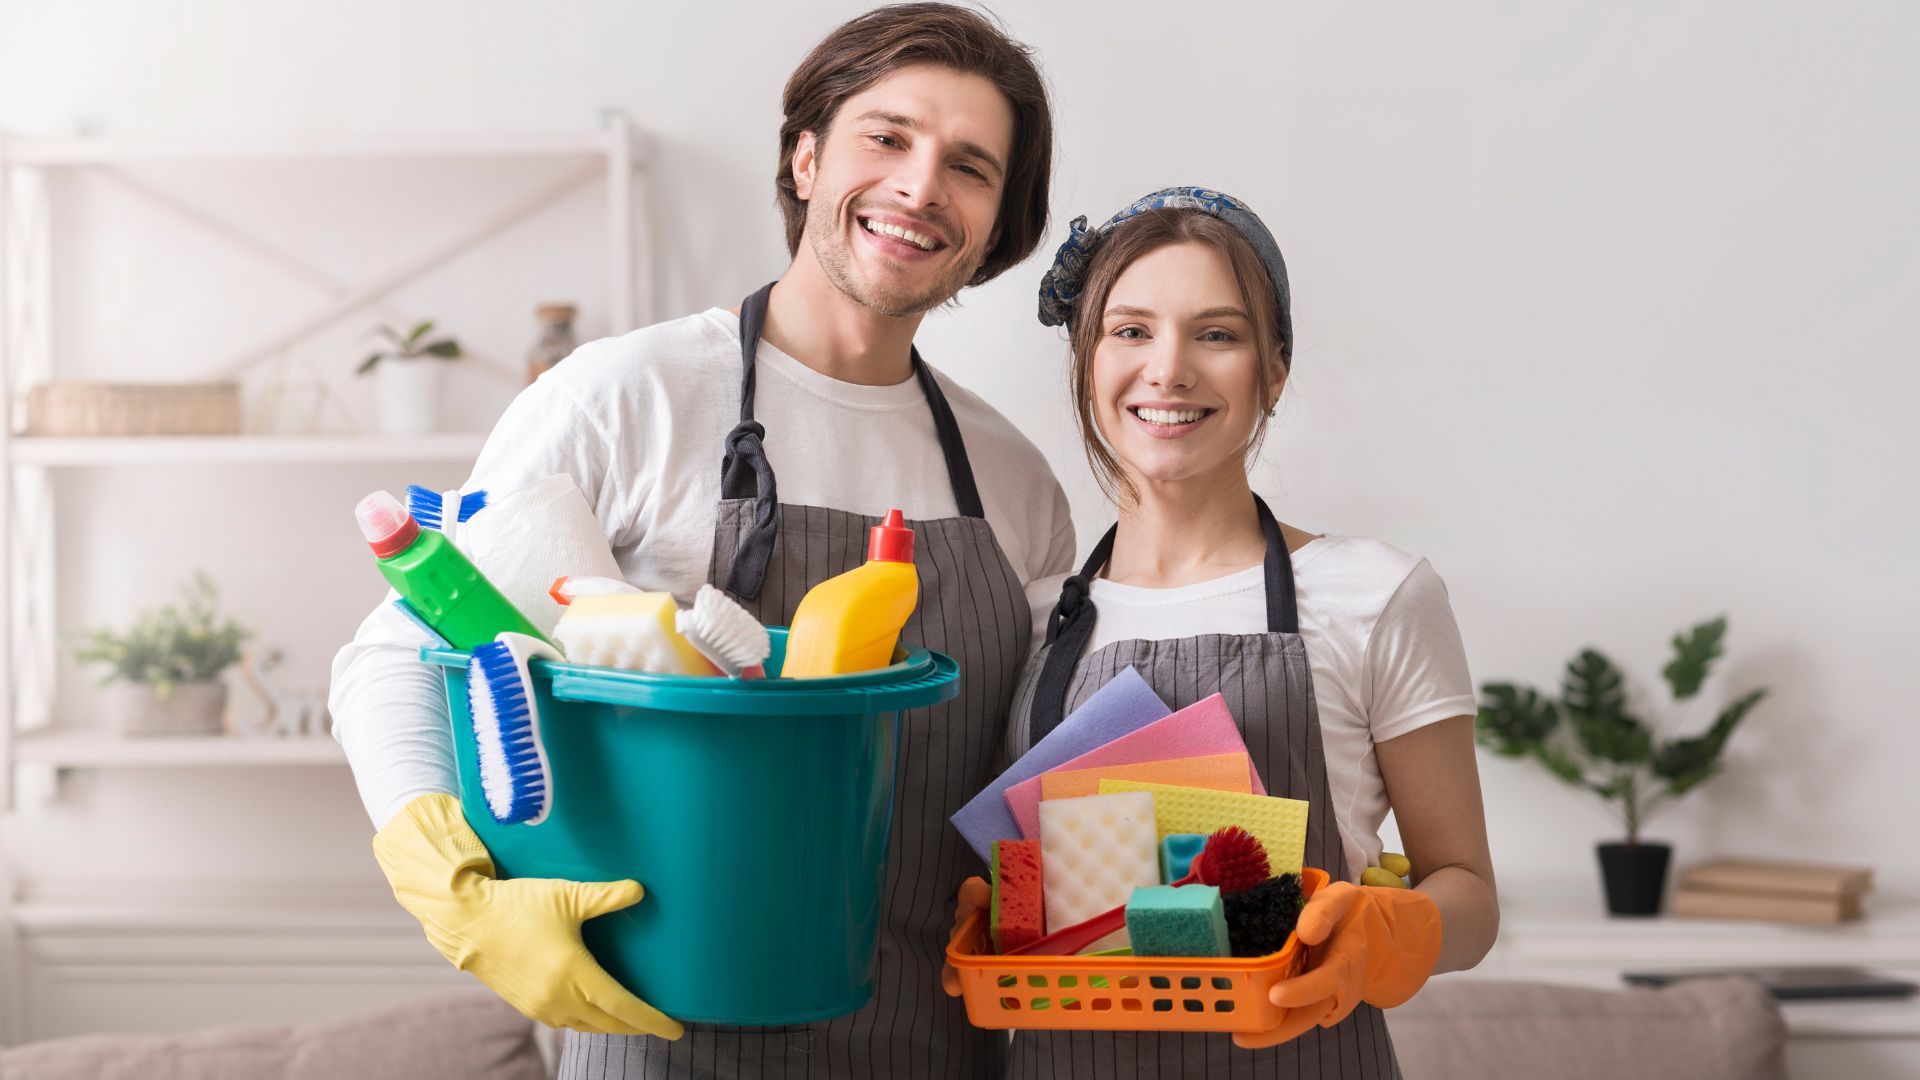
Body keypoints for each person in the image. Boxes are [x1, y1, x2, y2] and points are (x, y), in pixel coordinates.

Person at [328, 6, 1073, 1078]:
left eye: (969, 166)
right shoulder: (626, 395)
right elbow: (406, 649)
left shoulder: (1013, 477)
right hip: (659, 1043)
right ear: (805, 157)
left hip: (932, 1044)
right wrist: (454, 885)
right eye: (887, 137)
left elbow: (1030, 772)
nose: (919, 187)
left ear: (997, 225)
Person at [957, 188, 1499, 1077]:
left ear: (1274, 371)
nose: (1168, 370)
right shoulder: (1031, 617)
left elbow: (1470, 897)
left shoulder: (1376, 593)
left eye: (1217, 334)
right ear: (1087, 361)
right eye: (1130, 331)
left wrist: (1393, 932)